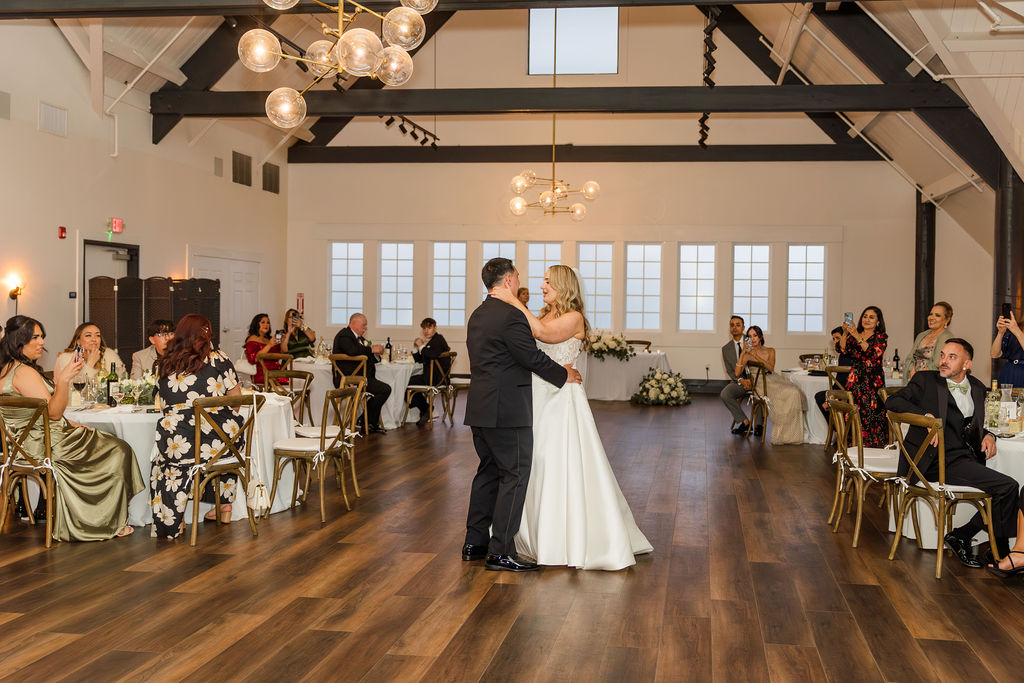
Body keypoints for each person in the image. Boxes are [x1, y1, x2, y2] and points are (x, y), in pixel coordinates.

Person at [493, 265, 651, 570]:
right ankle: (529, 536)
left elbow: (543, 335)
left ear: (564, 286)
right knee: (532, 463)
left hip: (561, 400)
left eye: (548, 282)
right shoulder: (543, 313)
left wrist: (513, 301)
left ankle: (565, 539)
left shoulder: (574, 317)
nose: (541, 286)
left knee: (557, 464)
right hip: (536, 397)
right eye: (542, 281)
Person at [463, 258, 582, 573]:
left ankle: (474, 544)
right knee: (515, 476)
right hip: (507, 410)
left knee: (488, 473)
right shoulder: (511, 314)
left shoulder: (478, 314)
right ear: (508, 281)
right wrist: (563, 375)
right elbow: (529, 356)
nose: (521, 280)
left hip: (479, 407)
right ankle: (500, 551)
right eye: (517, 275)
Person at [0, 315, 142, 541]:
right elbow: (54, 413)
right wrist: (64, 380)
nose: (41, 342)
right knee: (118, 449)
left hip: (23, 444)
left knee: (103, 439)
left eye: (42, 337)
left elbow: (36, 415)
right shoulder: (24, 373)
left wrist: (70, 423)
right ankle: (100, 521)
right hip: (45, 445)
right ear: (19, 340)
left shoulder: (7, 369)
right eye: (35, 337)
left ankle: (100, 515)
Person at [886, 338, 1022, 569]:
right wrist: (923, 417)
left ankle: (994, 550)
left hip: (963, 458)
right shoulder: (926, 380)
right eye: (942, 355)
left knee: (1004, 487)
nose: (943, 361)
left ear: (967, 364)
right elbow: (893, 401)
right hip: (931, 461)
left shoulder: (978, 387)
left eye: (952, 357)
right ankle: (972, 539)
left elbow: (979, 423)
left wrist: (989, 434)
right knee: (1007, 486)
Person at [152, 314, 244, 539]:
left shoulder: (165, 362)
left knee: (162, 460)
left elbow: (164, 405)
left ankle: (177, 518)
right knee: (222, 439)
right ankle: (224, 507)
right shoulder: (219, 358)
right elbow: (236, 402)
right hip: (219, 444)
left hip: (181, 445)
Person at [735, 326, 807, 445]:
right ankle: (780, 435)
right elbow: (737, 373)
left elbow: (771, 368)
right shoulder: (746, 354)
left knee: (794, 392)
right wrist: (743, 353)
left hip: (772, 379)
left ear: (761, 337)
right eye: (749, 336)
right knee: (788, 394)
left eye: (755, 335)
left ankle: (791, 435)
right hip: (759, 383)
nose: (752, 339)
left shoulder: (770, 350)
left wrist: (756, 356)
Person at [332, 313, 390, 434]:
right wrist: (371, 349)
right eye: (363, 325)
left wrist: (376, 354)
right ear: (353, 323)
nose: (366, 328)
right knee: (385, 389)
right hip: (348, 380)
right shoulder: (344, 335)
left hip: (359, 378)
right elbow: (352, 351)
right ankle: (367, 421)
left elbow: (366, 356)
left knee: (382, 389)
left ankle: (366, 420)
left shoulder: (359, 339)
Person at [841, 306, 888, 448]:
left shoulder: (880, 337)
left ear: (878, 322)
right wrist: (845, 333)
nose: (867, 319)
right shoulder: (855, 334)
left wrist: (856, 335)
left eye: (871, 317)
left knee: (871, 415)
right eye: (865, 316)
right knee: (853, 413)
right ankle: (853, 448)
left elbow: (873, 354)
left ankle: (872, 449)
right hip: (854, 379)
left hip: (872, 381)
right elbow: (844, 349)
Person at [719, 315, 761, 436]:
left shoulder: (752, 341)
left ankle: (759, 425)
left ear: (743, 327)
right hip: (740, 381)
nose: (735, 327)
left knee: (759, 392)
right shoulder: (725, 349)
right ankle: (745, 422)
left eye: (738, 325)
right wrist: (742, 380)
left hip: (756, 378)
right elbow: (730, 371)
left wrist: (752, 380)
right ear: (729, 328)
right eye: (732, 325)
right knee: (725, 394)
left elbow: (760, 362)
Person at [409, 317, 451, 426]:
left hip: (436, 378)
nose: (426, 331)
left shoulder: (438, 340)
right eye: (424, 328)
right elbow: (419, 359)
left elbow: (432, 355)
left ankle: (426, 409)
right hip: (431, 376)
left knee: (405, 382)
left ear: (435, 328)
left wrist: (421, 346)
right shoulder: (431, 342)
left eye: (429, 328)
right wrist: (416, 348)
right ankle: (426, 409)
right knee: (408, 381)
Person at [55, 322, 125, 381]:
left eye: (97, 335)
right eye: (88, 335)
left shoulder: (109, 354)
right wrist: (90, 363)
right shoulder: (67, 358)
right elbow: (73, 389)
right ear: (78, 341)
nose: (94, 339)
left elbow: (123, 379)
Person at [814, 326, 855, 419]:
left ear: (846, 338)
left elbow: (842, 381)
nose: (835, 341)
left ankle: (837, 427)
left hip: (846, 392)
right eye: (833, 339)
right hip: (848, 390)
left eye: (837, 338)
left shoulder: (845, 355)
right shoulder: (849, 353)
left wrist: (830, 398)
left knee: (820, 396)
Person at [906, 301, 953, 380]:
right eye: (931, 314)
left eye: (937, 315)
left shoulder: (947, 337)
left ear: (947, 320)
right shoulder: (921, 335)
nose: (931, 318)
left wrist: (923, 377)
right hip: (913, 379)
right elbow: (910, 359)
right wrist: (911, 371)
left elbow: (939, 364)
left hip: (932, 381)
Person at [243, 313, 282, 386]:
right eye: (263, 322)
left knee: (292, 377)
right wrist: (269, 345)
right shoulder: (252, 339)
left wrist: (282, 341)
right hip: (262, 372)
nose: (266, 325)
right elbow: (254, 359)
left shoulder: (269, 339)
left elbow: (280, 355)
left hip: (276, 370)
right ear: (256, 324)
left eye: (268, 322)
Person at [991, 308, 1024, 387]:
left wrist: (1017, 331)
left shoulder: (1015, 329)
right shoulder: (1014, 329)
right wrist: (1000, 333)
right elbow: (994, 354)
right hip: (1009, 372)